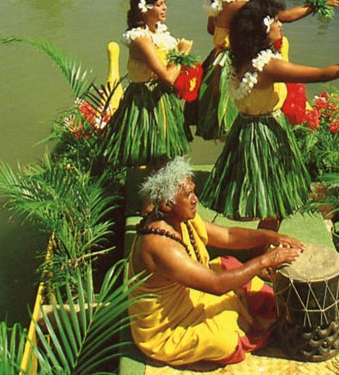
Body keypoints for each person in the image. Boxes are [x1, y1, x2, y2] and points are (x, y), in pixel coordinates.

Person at [200, 0, 339, 227]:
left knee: (262, 198)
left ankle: (261, 245)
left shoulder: (239, 57)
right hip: (267, 136)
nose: (280, 24)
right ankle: (263, 249)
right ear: (262, 29)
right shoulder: (268, 66)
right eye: (275, 21)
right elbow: (322, 74)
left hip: (244, 131)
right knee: (275, 201)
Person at [128, 157, 304, 368]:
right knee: (224, 341)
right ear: (167, 205)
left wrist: (270, 237)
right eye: (188, 195)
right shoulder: (161, 247)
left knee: (229, 265)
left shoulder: (179, 219)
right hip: (169, 328)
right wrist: (265, 260)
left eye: (193, 192)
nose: (195, 199)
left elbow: (228, 235)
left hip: (193, 296)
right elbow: (216, 285)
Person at [194, 0, 339, 140]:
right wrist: (318, 3)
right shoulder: (239, 3)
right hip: (240, 60)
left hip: (221, 60)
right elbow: (284, 16)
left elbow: (212, 29)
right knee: (249, 111)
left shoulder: (218, 1)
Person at [100, 0, 192, 167]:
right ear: (144, 9)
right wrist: (182, 54)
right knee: (151, 152)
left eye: (165, 4)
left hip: (162, 99)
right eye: (159, 4)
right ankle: (149, 193)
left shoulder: (159, 33)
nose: (165, 8)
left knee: (165, 153)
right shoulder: (140, 40)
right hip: (146, 101)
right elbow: (167, 77)